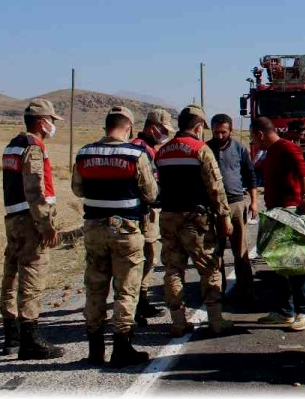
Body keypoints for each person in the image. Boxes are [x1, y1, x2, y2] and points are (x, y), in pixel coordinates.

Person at [73, 106, 159, 367]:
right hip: (125, 229)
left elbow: (77, 189)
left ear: (106, 126)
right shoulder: (135, 154)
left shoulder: (84, 153)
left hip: (94, 227)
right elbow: (151, 193)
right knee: (126, 289)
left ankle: (95, 350)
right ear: (128, 127)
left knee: (95, 288)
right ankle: (121, 348)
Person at [154, 105, 234, 337]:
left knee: (173, 270)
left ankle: (178, 322)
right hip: (196, 219)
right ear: (199, 127)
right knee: (209, 269)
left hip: (169, 218)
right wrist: (224, 216)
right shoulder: (200, 150)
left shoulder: (163, 150)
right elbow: (215, 188)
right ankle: (216, 321)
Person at [0, 98, 65, 360]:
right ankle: (30, 339)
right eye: (51, 121)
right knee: (32, 277)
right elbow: (35, 189)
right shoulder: (33, 147)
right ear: (41, 122)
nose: (52, 126)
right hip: (30, 220)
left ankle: (11, 337)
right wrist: (46, 225)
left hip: (13, 217)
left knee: (11, 275)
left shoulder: (11, 145)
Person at [250, 116, 305, 331]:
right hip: (275, 214)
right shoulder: (271, 152)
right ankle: (285, 312)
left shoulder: (287, 148)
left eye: (253, 137)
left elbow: (304, 173)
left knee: (296, 264)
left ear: (260, 134)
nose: (253, 141)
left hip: (290, 214)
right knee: (279, 265)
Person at [208, 113, 257, 303]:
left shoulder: (239, 148)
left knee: (240, 251)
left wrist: (253, 201)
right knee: (215, 251)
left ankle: (247, 291)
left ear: (230, 130)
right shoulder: (206, 149)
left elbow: (250, 175)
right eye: (216, 132)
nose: (220, 136)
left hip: (236, 203)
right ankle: (217, 292)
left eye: (223, 132)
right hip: (214, 207)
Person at [132, 108, 173, 326]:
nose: (165, 134)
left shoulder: (149, 148)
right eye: (163, 130)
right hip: (143, 212)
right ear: (151, 127)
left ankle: (142, 299)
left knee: (148, 257)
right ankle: (137, 303)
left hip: (149, 211)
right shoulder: (140, 149)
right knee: (143, 257)